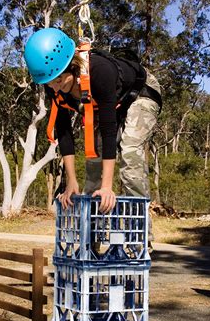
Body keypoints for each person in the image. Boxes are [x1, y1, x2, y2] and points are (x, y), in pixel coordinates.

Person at [23, 28, 162, 214]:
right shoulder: (52, 83)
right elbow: (63, 130)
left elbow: (108, 129)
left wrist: (107, 187)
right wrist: (71, 180)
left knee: (130, 152)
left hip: (140, 93)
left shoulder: (99, 71)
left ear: (71, 65)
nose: (55, 88)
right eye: (50, 83)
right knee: (94, 157)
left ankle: (139, 236)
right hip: (106, 103)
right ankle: (91, 232)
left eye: (60, 81)